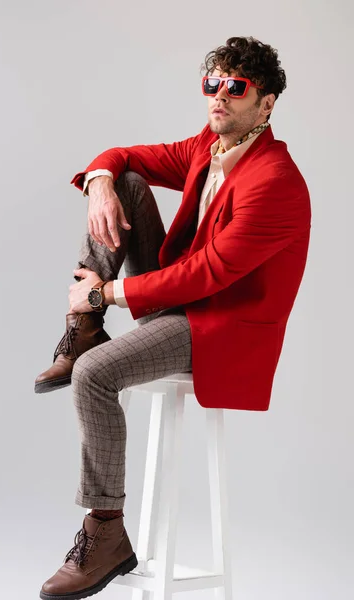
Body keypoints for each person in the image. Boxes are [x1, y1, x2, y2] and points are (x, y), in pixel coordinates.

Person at [36, 36, 311, 600]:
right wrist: (101, 183)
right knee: (128, 184)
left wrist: (106, 293)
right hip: (178, 302)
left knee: (94, 375)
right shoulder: (206, 147)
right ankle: (82, 332)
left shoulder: (276, 182)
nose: (219, 97)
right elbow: (123, 157)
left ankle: (105, 530)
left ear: (267, 104)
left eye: (237, 87)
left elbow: (209, 273)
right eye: (213, 82)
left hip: (220, 329)